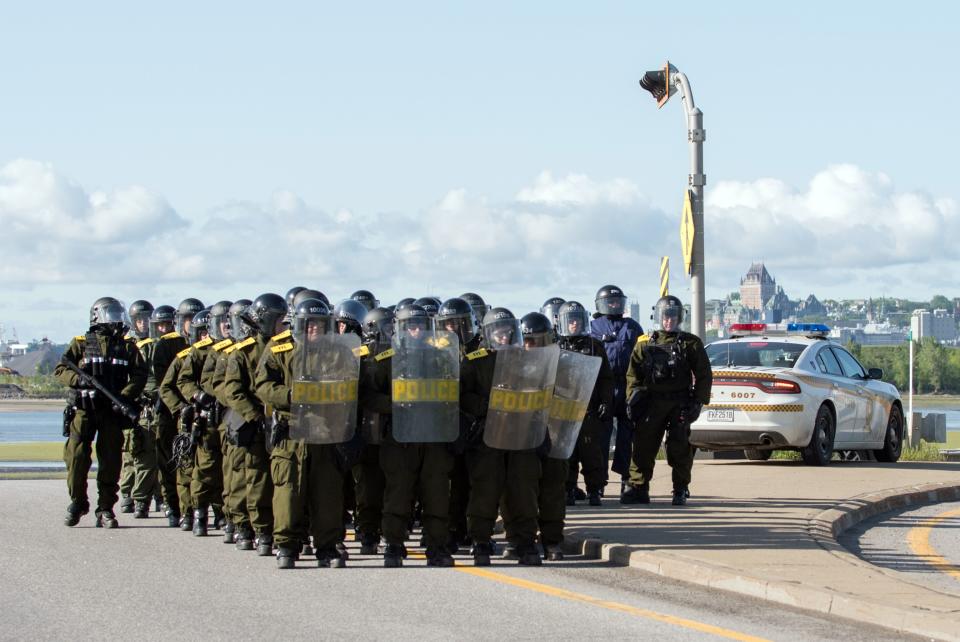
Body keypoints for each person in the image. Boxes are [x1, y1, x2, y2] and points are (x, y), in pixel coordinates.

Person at [255, 298, 353, 568]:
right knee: (288, 492)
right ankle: (286, 545)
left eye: (320, 324)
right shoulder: (280, 349)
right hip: (290, 432)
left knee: (328, 494)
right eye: (309, 324)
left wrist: (330, 396)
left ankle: (327, 546)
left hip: (326, 431)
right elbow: (262, 384)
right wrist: (290, 395)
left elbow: (349, 385)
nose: (314, 329)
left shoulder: (339, 352)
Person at [55, 297, 147, 528]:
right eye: (112, 314)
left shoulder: (127, 346)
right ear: (98, 316)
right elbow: (61, 369)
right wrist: (78, 380)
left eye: (119, 314)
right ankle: (78, 502)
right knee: (76, 458)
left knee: (111, 461)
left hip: (112, 412)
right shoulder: (80, 343)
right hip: (84, 411)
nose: (117, 319)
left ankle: (105, 508)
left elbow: (139, 375)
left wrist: (125, 396)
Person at [623, 295, 711, 505]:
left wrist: (698, 402)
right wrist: (632, 398)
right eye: (665, 316)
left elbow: (704, 374)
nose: (669, 320)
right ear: (658, 317)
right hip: (651, 403)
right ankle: (638, 487)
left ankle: (680, 489)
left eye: (673, 316)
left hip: (679, 402)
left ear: (680, 318)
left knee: (679, 447)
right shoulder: (645, 342)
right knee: (643, 446)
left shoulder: (691, 343)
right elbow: (632, 374)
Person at [222, 293, 286, 555]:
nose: (285, 325)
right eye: (281, 321)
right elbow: (233, 390)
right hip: (252, 423)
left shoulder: (287, 349)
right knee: (254, 479)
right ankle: (255, 529)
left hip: (281, 422)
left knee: (281, 481)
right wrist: (255, 416)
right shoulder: (243, 352)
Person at [557, 302, 614, 507]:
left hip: (589, 407)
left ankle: (595, 489)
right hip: (564, 409)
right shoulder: (556, 346)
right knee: (567, 453)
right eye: (570, 321)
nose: (573, 324)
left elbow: (606, 378)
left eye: (577, 320)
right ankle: (568, 489)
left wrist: (606, 402)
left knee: (592, 453)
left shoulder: (593, 346)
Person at [435, 297, 480, 552]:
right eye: (448, 324)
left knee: (474, 483)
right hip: (444, 425)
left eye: (458, 323)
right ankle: (450, 530)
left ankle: (473, 532)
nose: (453, 328)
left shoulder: (480, 352)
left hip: (472, 426)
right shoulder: (433, 351)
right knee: (448, 485)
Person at [590, 285, 643, 493]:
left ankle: (625, 478)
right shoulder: (594, 327)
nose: (614, 305)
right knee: (601, 435)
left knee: (626, 434)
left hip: (627, 385)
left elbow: (641, 356)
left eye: (617, 301)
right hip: (603, 386)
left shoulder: (632, 326)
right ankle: (599, 480)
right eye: (610, 302)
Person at [119, 299, 154, 514]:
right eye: (139, 320)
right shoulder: (126, 346)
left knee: (147, 454)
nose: (143, 324)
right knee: (129, 452)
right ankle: (126, 494)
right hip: (128, 404)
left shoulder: (156, 345)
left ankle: (142, 497)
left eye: (146, 319)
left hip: (149, 405)